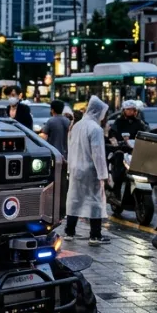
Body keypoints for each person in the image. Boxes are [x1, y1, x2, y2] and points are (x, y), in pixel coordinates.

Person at [64, 96, 111, 246]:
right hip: (91, 171)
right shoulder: (95, 129)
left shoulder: (76, 126)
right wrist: (103, 175)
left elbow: (70, 148)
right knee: (95, 202)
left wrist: (70, 167)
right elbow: (98, 154)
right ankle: (95, 235)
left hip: (75, 169)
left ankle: (69, 232)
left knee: (74, 200)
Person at [109, 100, 148, 217]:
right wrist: (115, 142)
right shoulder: (119, 122)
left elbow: (146, 131)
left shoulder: (139, 122)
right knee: (119, 168)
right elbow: (112, 134)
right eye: (129, 109)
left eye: (133, 110)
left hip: (135, 151)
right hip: (122, 151)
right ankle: (116, 193)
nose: (131, 112)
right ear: (124, 110)